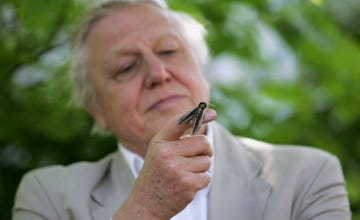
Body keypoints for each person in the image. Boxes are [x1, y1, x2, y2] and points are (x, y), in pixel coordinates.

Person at [12, 0, 351, 219]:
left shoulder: (306, 175)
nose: (158, 74)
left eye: (170, 51)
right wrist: (143, 210)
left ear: (202, 70)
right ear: (96, 109)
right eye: (126, 68)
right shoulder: (47, 196)